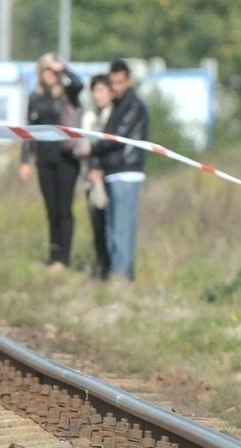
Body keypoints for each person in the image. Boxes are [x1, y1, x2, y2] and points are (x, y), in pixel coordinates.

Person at [18, 54, 84, 272]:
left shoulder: (67, 94)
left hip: (66, 159)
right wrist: (25, 161)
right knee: (51, 209)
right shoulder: (35, 98)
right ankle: (53, 255)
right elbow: (29, 130)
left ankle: (63, 259)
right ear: (40, 72)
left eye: (53, 71)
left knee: (64, 209)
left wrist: (63, 67)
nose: (50, 75)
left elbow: (79, 83)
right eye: (46, 70)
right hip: (44, 159)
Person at [87, 59, 149, 283]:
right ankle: (117, 273)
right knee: (112, 228)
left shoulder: (133, 105)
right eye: (112, 82)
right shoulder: (117, 105)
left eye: (120, 82)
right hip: (112, 171)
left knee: (122, 228)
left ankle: (121, 277)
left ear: (129, 81)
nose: (116, 87)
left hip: (127, 171)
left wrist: (90, 149)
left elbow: (115, 137)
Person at [74, 74, 114, 279]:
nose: (98, 96)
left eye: (101, 90)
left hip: (108, 176)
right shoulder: (88, 117)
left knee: (111, 224)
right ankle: (101, 266)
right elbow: (83, 144)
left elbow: (109, 147)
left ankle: (112, 268)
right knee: (96, 224)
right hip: (89, 177)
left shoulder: (113, 115)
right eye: (95, 91)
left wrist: (97, 163)